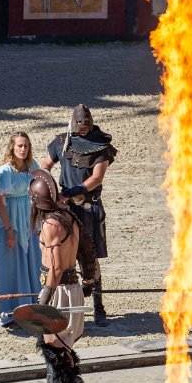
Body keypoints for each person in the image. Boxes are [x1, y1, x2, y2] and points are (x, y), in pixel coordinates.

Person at [26, 169, 101, 383]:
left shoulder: (50, 225)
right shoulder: (69, 216)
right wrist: (90, 281)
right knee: (65, 348)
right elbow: (87, 250)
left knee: (53, 350)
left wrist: (44, 298)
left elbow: (56, 268)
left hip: (58, 290)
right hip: (73, 288)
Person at [43, 104, 117, 327]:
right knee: (63, 256)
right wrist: (46, 187)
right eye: (79, 123)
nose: (83, 127)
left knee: (91, 256)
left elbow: (96, 178)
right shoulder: (61, 142)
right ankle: (61, 306)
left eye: (86, 123)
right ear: (73, 122)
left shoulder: (101, 146)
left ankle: (98, 306)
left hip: (88, 208)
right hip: (65, 209)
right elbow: (46, 165)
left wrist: (72, 192)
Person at [0, 132, 42, 327]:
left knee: (33, 264)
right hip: (11, 221)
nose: (23, 149)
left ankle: (33, 309)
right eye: (20, 146)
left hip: (29, 222)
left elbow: (41, 190)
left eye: (26, 146)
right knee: (12, 267)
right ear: (12, 148)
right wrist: (9, 229)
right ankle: (11, 313)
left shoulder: (33, 167)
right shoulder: (5, 171)